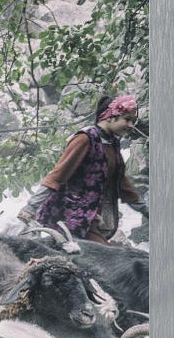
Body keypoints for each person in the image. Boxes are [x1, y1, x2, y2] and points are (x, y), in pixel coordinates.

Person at [22, 94, 149, 244]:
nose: (130, 125)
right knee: (103, 257)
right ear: (110, 117)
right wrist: (30, 208)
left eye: (132, 121)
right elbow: (58, 175)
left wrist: (149, 212)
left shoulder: (112, 143)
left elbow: (122, 184)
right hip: (66, 218)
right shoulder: (84, 138)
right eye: (127, 119)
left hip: (87, 219)